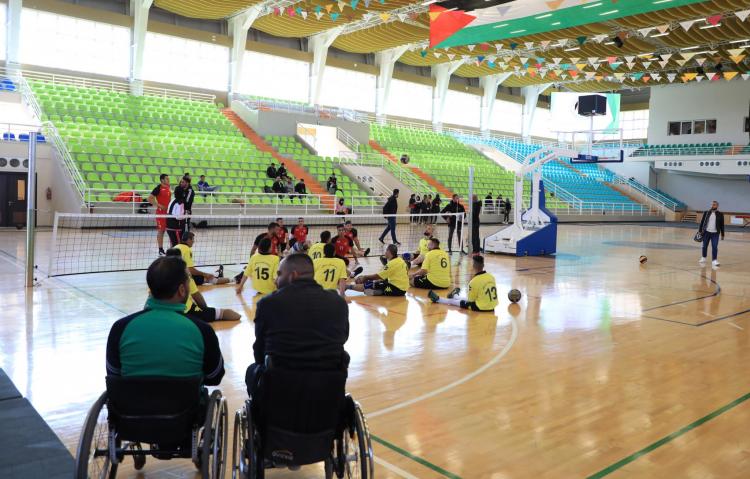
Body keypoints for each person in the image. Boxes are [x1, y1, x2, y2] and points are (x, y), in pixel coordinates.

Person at [106, 256, 225, 386]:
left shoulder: (120, 328)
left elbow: (114, 375)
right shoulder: (202, 330)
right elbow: (214, 377)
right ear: (181, 290)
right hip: (186, 404)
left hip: (131, 405)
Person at [244, 254, 349, 396]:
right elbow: (342, 339)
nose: (275, 280)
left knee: (252, 370)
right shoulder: (338, 303)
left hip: (282, 387)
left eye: (279, 274)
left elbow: (259, 349)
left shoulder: (268, 303)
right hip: (327, 388)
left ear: (293, 275)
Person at [165, 248, 240, 322]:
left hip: (164, 310)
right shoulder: (184, 276)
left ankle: (228, 278)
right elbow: (196, 295)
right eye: (192, 239)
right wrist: (205, 310)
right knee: (212, 281)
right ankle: (233, 279)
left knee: (210, 280)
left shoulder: (158, 274)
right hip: (187, 310)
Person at [428, 255, 498, 312]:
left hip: (480, 307)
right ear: (483, 265)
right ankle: (455, 296)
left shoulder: (474, 282)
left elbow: (471, 300)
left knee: (457, 302)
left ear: (473, 266)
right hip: (492, 306)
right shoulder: (491, 277)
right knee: (470, 298)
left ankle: (438, 299)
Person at [343, 244, 409, 297]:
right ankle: (380, 291)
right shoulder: (400, 260)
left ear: (389, 252)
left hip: (397, 289)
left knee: (370, 285)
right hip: (402, 287)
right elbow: (382, 276)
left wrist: (365, 277)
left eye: (386, 250)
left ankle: (347, 287)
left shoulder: (392, 264)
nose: (385, 252)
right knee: (377, 281)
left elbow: (378, 276)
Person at [148, 174, 171, 256]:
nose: (168, 180)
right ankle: (160, 250)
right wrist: (160, 205)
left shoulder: (168, 187)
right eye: (167, 179)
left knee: (170, 230)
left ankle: (171, 249)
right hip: (161, 213)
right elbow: (149, 198)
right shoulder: (158, 188)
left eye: (168, 179)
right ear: (162, 180)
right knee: (161, 231)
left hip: (168, 213)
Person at [698, 200, 725, 267]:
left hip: (715, 234)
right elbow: (702, 222)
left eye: (714, 205)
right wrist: (700, 230)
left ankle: (714, 260)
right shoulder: (706, 213)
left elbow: (722, 225)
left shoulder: (720, 214)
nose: (713, 206)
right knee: (704, 246)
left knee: (715, 247)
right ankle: (703, 257)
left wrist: (722, 234)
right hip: (706, 232)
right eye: (712, 204)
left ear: (717, 206)